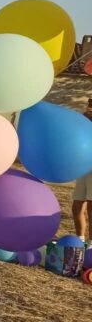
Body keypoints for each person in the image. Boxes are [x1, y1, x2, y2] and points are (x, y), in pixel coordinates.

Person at [72, 98, 92, 243]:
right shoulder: (85, 116)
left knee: (91, 206)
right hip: (84, 166)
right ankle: (80, 241)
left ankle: (91, 244)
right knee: (77, 206)